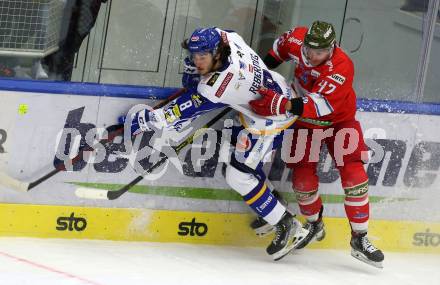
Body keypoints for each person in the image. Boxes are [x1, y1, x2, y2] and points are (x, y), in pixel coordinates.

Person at [121, 27, 308, 261]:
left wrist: (149, 119)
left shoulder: (218, 86)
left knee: (238, 176)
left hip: (271, 118)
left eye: (203, 57)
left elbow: (184, 110)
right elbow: (224, 32)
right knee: (241, 162)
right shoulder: (228, 38)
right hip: (273, 95)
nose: (197, 62)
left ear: (217, 53)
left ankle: (287, 224)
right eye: (194, 56)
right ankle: (273, 204)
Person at [248, 21, 385, 268]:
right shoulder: (297, 39)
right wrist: (256, 82)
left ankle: (360, 239)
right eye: (310, 49)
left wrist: (281, 104)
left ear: (331, 48)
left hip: (338, 121)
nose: (312, 55)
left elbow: (319, 106)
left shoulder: (341, 67)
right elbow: (276, 52)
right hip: (304, 122)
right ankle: (314, 224)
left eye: (319, 52)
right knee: (301, 179)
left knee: (354, 175)